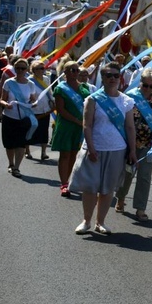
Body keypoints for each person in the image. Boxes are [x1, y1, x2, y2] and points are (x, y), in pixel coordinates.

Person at [69, 62, 137, 235]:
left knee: (108, 188)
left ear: (120, 78)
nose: (112, 79)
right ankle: (86, 221)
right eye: (108, 75)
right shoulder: (93, 99)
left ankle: (101, 222)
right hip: (95, 148)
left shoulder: (126, 101)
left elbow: (130, 127)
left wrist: (132, 150)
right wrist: (91, 148)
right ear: (103, 78)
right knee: (90, 187)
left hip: (117, 149)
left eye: (116, 75)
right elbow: (87, 125)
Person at [114, 68, 152, 221]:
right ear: (140, 83)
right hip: (129, 143)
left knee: (145, 176)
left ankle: (140, 208)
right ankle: (121, 197)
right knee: (128, 173)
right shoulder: (130, 98)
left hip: (149, 144)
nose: (148, 89)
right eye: (145, 85)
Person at [51, 61, 91, 197]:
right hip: (66, 126)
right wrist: (76, 120)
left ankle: (69, 181)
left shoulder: (84, 88)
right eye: (72, 70)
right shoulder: (61, 88)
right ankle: (63, 183)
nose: (75, 72)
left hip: (80, 127)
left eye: (76, 70)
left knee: (74, 154)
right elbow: (60, 110)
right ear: (65, 72)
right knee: (65, 154)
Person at [0, 57, 38, 178]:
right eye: (18, 68)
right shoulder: (9, 82)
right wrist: (6, 105)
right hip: (9, 117)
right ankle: (10, 164)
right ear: (15, 69)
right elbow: (2, 99)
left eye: (23, 68)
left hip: (23, 118)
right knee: (9, 143)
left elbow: (33, 99)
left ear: (27, 69)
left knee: (20, 143)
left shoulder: (30, 84)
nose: (20, 70)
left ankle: (17, 167)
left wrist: (34, 103)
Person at [27, 60, 54, 161]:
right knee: (30, 130)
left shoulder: (46, 79)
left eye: (43, 68)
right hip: (33, 110)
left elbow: (49, 92)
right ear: (33, 70)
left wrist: (52, 101)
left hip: (45, 109)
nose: (41, 70)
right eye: (39, 68)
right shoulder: (29, 81)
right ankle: (27, 150)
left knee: (44, 130)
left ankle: (43, 153)